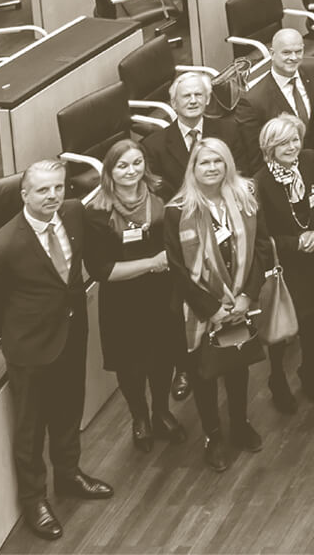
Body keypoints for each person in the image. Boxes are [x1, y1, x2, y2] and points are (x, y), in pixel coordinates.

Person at [0, 161, 113, 540]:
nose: (53, 195)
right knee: (30, 428)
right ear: (24, 194)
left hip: (71, 333)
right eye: (43, 190)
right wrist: (13, 329)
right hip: (29, 347)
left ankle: (69, 475)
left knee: (70, 408)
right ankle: (34, 498)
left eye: (57, 187)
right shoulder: (3, 245)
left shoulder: (72, 212)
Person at [165, 139, 274, 472]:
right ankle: (213, 436)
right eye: (204, 163)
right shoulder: (177, 210)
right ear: (192, 169)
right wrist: (212, 308)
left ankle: (239, 425)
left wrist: (246, 296)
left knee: (236, 365)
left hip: (239, 303)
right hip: (199, 311)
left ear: (227, 164)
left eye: (218, 161)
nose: (211, 168)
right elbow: (177, 269)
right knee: (204, 374)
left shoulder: (245, 198)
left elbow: (262, 249)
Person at [81, 141, 181, 452]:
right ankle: (140, 417)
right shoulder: (96, 212)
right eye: (122, 166)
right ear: (109, 171)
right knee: (131, 364)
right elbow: (101, 269)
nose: (131, 171)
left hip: (162, 292)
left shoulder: (162, 191)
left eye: (137, 163)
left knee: (163, 356)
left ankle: (161, 411)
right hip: (122, 300)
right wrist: (152, 263)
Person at [252, 114, 314, 411]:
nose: (291, 147)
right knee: (281, 324)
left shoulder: (309, 160)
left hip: (312, 254)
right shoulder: (260, 183)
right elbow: (263, 236)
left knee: (310, 317)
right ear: (269, 147)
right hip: (283, 264)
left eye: (295, 139)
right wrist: (296, 242)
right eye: (282, 143)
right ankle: (277, 378)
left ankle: (307, 371)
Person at [237, 28, 314, 174]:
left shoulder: (313, 72)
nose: (293, 57)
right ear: (272, 54)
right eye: (286, 52)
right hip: (280, 176)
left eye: (298, 51)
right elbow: (255, 154)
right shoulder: (253, 100)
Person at [141, 71, 245, 199]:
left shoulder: (229, 131)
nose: (193, 101)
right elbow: (160, 194)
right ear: (173, 103)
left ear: (207, 99)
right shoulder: (153, 146)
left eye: (198, 95)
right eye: (186, 96)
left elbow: (240, 175)